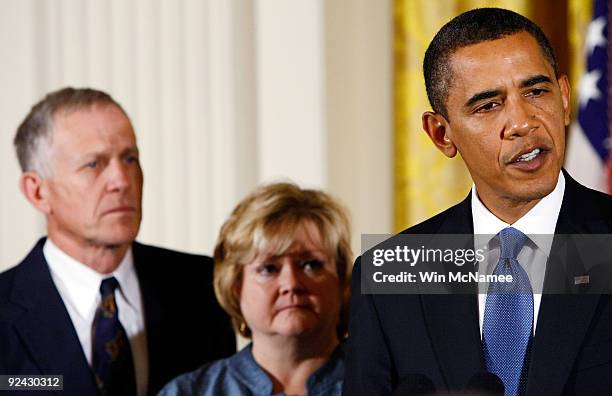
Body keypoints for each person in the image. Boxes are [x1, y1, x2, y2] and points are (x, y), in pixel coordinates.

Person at [343, 8, 612, 395]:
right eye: (489, 105)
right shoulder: (392, 276)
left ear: (565, 97)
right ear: (441, 134)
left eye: (536, 91)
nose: (522, 122)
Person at [0, 87, 236, 395]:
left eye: (129, 159)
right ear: (38, 191)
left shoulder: (202, 286)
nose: (122, 181)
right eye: (94, 164)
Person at [159, 182, 352, 396]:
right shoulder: (188, 392)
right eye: (269, 269)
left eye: (311, 265)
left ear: (342, 279)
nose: (291, 284)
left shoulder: (386, 386)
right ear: (235, 286)